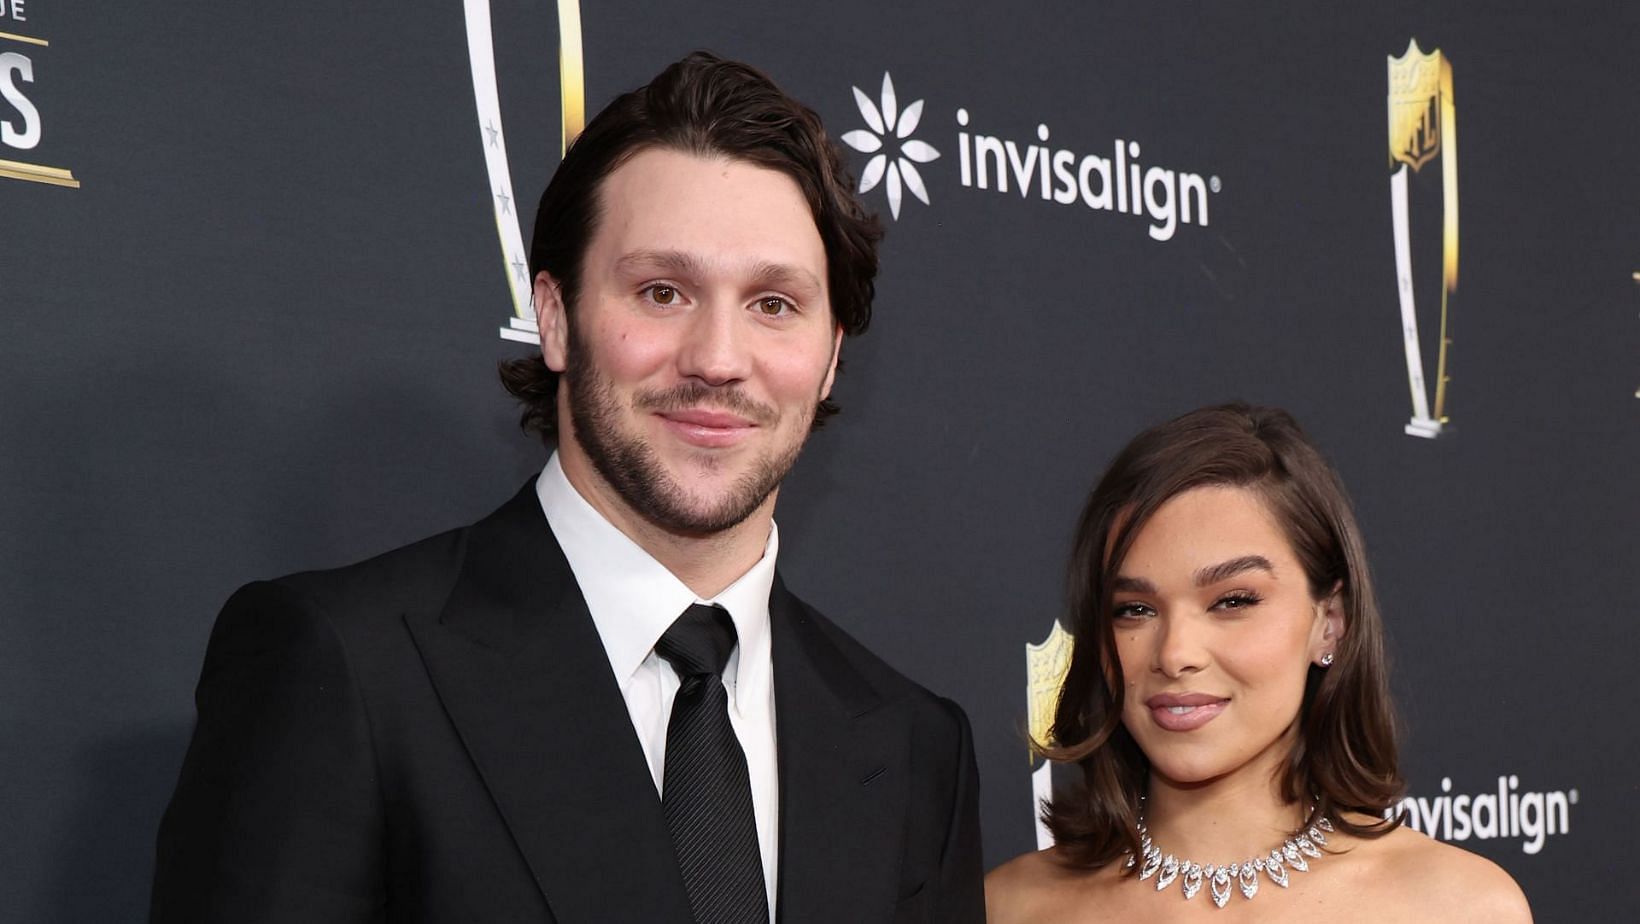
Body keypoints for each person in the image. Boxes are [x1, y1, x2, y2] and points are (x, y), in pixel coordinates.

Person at [151, 52, 983, 924]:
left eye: (774, 304)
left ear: (831, 357)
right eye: (663, 292)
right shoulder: (346, 669)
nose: (719, 360)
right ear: (555, 317)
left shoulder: (915, 745)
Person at [986, 404, 1529, 922]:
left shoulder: (1460, 909)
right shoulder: (1006, 909)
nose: (1175, 654)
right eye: (1135, 609)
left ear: (1330, 622)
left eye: (1233, 601)